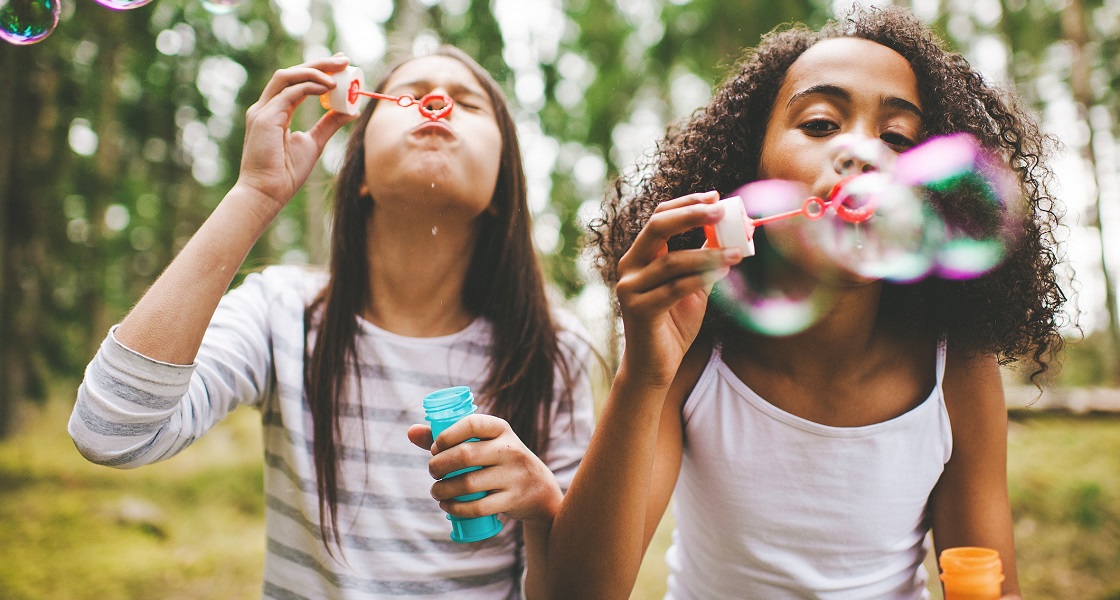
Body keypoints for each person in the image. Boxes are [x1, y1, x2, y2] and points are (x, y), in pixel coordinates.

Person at [546, 7, 1064, 600]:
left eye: (897, 138)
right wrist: (643, 375)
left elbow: (988, 585)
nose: (863, 153)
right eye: (821, 123)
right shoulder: (696, 351)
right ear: (750, 163)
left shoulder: (954, 369)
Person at [69, 45, 595, 600]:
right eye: (410, 96)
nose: (436, 104)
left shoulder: (552, 349)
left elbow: (581, 591)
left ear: (499, 188)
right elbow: (109, 433)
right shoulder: (283, 312)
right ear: (361, 171)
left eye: (466, 103)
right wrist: (254, 195)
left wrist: (543, 508)